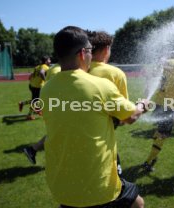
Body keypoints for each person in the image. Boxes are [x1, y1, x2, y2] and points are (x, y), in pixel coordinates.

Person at [41, 26, 147, 208]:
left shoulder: (47, 89)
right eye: (90, 50)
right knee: (137, 204)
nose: (91, 55)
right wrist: (143, 105)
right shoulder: (100, 86)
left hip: (61, 184)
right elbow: (130, 117)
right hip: (98, 184)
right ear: (83, 53)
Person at [87, 30, 129, 175]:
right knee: (120, 191)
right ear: (106, 49)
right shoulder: (116, 74)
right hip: (103, 143)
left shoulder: (77, 70)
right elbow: (124, 117)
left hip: (75, 140)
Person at [141, 57, 174, 172]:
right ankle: (148, 161)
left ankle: (153, 154)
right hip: (170, 103)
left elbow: (153, 76)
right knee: (163, 134)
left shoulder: (164, 65)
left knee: (159, 131)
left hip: (159, 102)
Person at [18, 56, 51, 120]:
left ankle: (24, 104)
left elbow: (31, 75)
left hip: (32, 85)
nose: (50, 61)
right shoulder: (45, 66)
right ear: (46, 61)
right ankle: (29, 115)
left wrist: (32, 80)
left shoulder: (37, 66)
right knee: (36, 100)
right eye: (49, 60)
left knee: (36, 99)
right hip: (37, 86)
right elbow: (41, 72)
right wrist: (45, 80)